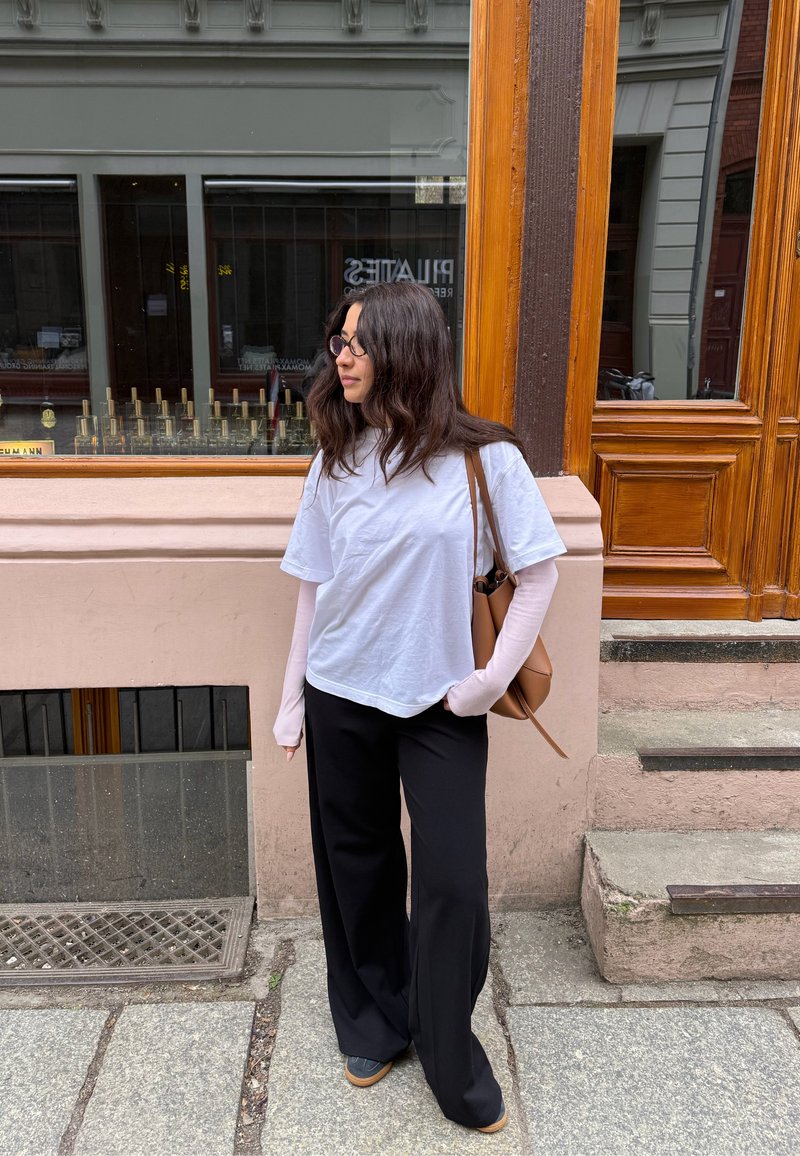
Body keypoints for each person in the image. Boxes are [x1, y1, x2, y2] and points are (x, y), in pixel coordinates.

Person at [273, 281, 565, 1133]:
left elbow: (540, 575)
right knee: (355, 868)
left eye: (360, 342)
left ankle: (447, 1046)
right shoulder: (336, 455)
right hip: (341, 693)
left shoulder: (486, 460)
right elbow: (311, 588)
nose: (343, 355)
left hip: (442, 702)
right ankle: (372, 1020)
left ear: (409, 350)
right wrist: (292, 699)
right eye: (339, 341)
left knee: (452, 885)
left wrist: (482, 684)